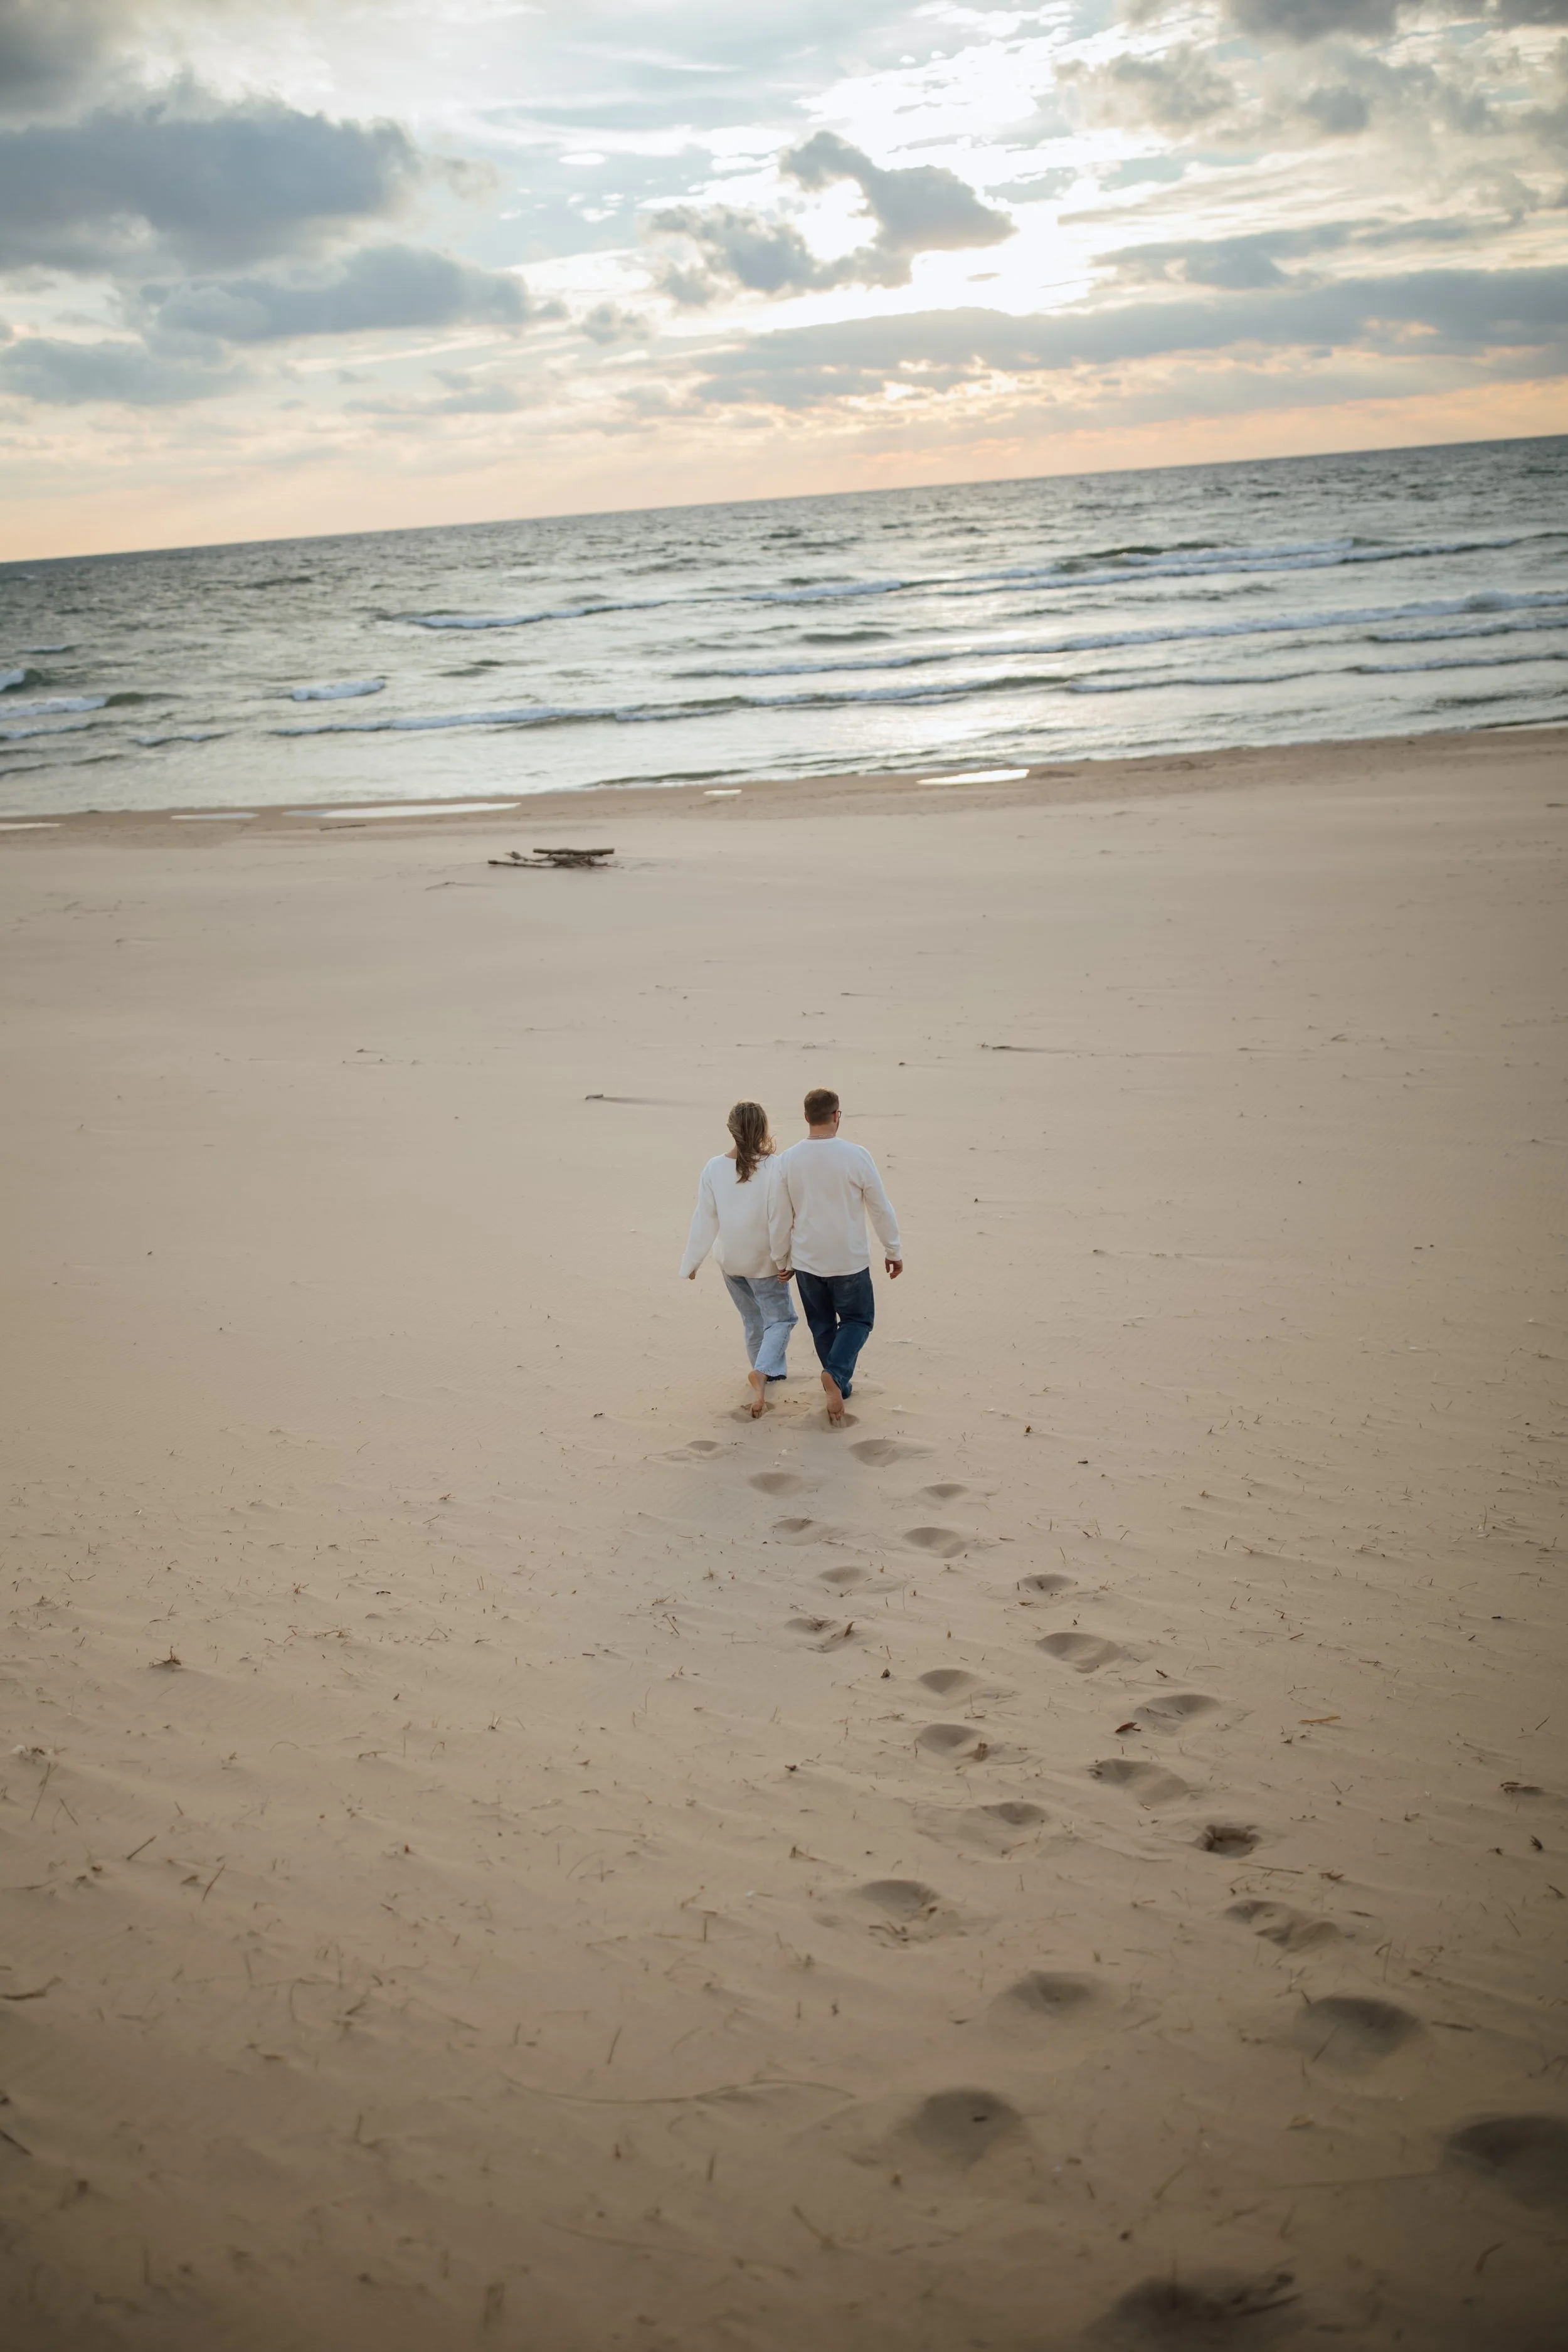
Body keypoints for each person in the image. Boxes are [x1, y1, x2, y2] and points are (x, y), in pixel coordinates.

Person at [768, 1087, 902, 1426]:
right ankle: (836, 1375)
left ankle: (837, 1381)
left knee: (822, 1324)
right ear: (837, 1116)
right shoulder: (857, 1156)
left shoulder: (787, 1160)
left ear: (806, 1118)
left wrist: (781, 1259)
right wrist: (893, 1249)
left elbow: (780, 1216)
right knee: (858, 1320)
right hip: (849, 1260)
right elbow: (880, 1208)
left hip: (807, 1261)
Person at [680, 1101, 798, 1417]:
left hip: (730, 1262)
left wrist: (692, 1262)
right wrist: (784, 1260)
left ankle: (765, 1374)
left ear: (731, 1130)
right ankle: (762, 1372)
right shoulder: (775, 1166)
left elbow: (704, 1218)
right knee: (782, 1320)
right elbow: (779, 1219)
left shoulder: (714, 1167)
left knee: (752, 1320)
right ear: (763, 1129)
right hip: (764, 1262)